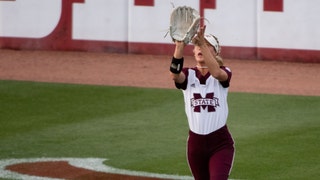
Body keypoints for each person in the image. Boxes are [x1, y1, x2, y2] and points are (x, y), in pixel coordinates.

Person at [169, 26, 235, 180]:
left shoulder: (225, 71)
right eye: (197, 45)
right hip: (195, 145)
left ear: (216, 52)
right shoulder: (189, 74)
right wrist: (179, 46)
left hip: (220, 144)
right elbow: (175, 75)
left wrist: (201, 43)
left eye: (206, 45)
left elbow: (217, 73)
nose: (200, 47)